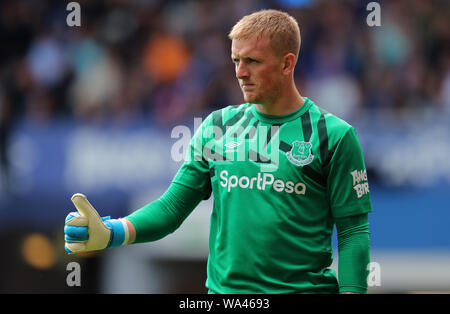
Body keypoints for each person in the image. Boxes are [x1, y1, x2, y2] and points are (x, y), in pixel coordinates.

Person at [64, 9, 372, 294]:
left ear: (286, 63)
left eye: (253, 61)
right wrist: (112, 231)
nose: (240, 72)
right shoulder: (217, 127)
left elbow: (353, 232)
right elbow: (172, 209)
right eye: (236, 60)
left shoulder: (334, 135)